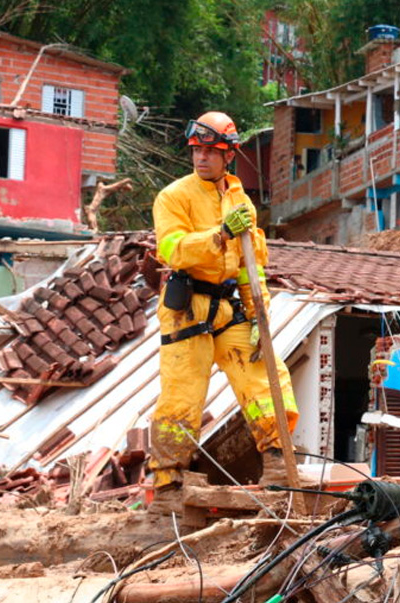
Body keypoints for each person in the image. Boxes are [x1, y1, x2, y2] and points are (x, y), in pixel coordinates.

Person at [149, 111, 299, 511]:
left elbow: (253, 262)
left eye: (211, 152)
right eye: (197, 150)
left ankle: (278, 467)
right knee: (181, 394)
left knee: (267, 379)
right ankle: (167, 485)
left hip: (229, 304)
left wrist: (259, 316)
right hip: (188, 306)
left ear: (228, 156)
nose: (201, 158)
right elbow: (172, 249)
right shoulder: (174, 196)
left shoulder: (239, 198)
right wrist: (219, 234)